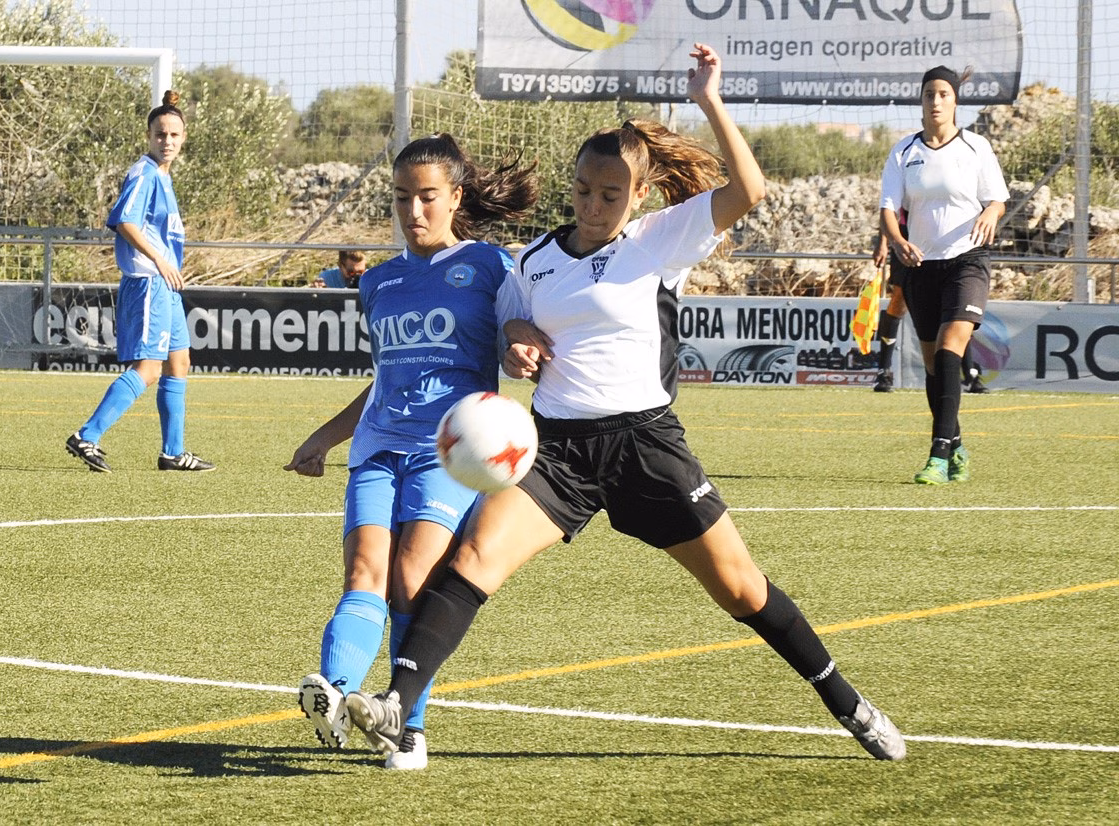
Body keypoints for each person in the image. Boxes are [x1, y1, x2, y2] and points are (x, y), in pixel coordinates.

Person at [335, 43, 906, 765]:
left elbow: (750, 191)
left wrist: (710, 101)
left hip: (645, 446)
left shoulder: (658, 241)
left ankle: (846, 702)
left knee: (741, 590)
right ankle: (399, 712)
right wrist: (519, 342)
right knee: (473, 558)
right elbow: (517, 321)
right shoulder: (535, 260)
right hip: (559, 453)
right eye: (582, 190)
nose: (594, 205)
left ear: (638, 196)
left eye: (610, 195)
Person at [285, 134, 537, 770]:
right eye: (402, 198)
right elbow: (386, 375)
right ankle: (336, 698)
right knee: (363, 573)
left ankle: (409, 725)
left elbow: (517, 331)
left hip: (450, 452)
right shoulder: (380, 282)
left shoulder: (488, 265)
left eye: (427, 197)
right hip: (377, 447)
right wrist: (325, 436)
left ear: (454, 197)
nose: (414, 211)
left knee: (411, 577)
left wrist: (519, 350)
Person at [65, 91, 214, 474]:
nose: (167, 141)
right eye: (160, 134)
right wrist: (160, 260)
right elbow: (124, 221)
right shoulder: (144, 173)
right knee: (148, 369)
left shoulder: (163, 177)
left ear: (184, 138)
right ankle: (87, 435)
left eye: (174, 135)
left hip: (166, 287)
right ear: (149, 137)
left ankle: (172, 452)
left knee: (179, 362)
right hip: (149, 283)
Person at [879, 66, 1007, 483]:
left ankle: (936, 454)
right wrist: (897, 241)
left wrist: (990, 211)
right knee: (935, 366)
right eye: (929, 94)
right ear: (921, 100)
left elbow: (997, 200)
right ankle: (956, 443)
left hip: (967, 261)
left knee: (952, 348)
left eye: (944, 94)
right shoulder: (903, 152)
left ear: (955, 101)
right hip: (919, 267)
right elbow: (887, 209)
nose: (936, 101)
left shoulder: (976, 147)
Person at [872, 228, 990, 395]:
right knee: (898, 301)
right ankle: (883, 370)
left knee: (957, 308)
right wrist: (882, 243)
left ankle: (969, 372)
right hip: (908, 240)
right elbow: (889, 208)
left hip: (949, 241)